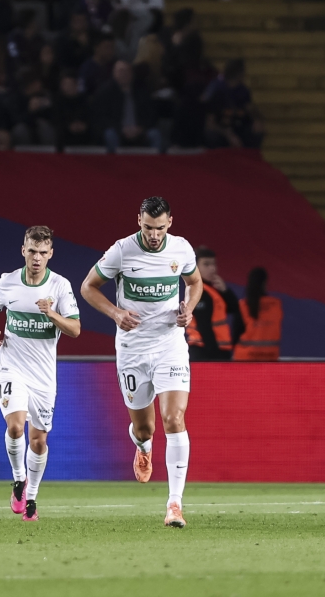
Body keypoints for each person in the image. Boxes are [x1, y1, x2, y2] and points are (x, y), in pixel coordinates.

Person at [80, 196, 203, 527]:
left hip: (170, 345)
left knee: (174, 418)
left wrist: (188, 309)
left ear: (170, 223)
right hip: (133, 350)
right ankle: (142, 445)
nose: (154, 235)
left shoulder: (181, 249)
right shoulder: (121, 251)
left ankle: (174, 505)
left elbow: (195, 283)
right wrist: (115, 312)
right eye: (148, 228)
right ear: (139, 221)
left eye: (160, 228)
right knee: (145, 426)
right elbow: (88, 287)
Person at [0, 225, 81, 522]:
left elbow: (76, 330)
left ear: (50, 254)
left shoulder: (60, 287)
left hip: (43, 376)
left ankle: (32, 498)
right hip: (11, 365)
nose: (36, 258)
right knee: (15, 427)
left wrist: (50, 314)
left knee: (38, 440)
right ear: (23, 251)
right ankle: (18, 480)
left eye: (42, 252)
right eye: (32, 251)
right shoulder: (8, 282)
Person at [186, 246, 242, 361]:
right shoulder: (199, 291)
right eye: (206, 264)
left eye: (214, 264)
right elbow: (204, 326)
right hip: (205, 352)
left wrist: (225, 291)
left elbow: (234, 309)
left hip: (215, 350)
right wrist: (215, 356)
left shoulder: (212, 289)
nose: (212, 269)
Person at [233, 267, 282, 361]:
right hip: (270, 357)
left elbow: (236, 334)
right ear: (265, 283)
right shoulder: (276, 305)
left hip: (244, 358)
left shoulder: (243, 306)